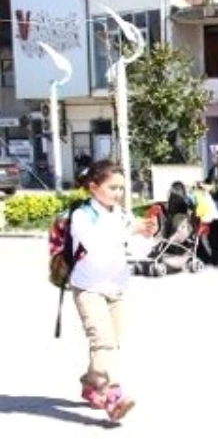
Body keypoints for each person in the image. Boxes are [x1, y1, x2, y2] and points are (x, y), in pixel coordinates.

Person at [70, 160, 156, 422]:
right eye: (113, 188)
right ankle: (112, 396)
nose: (118, 193)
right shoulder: (83, 215)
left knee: (110, 344)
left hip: (116, 288)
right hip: (89, 288)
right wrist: (130, 229)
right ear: (93, 187)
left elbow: (137, 247)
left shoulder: (120, 213)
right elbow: (97, 245)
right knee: (103, 342)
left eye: (121, 188)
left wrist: (146, 233)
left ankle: (90, 384)